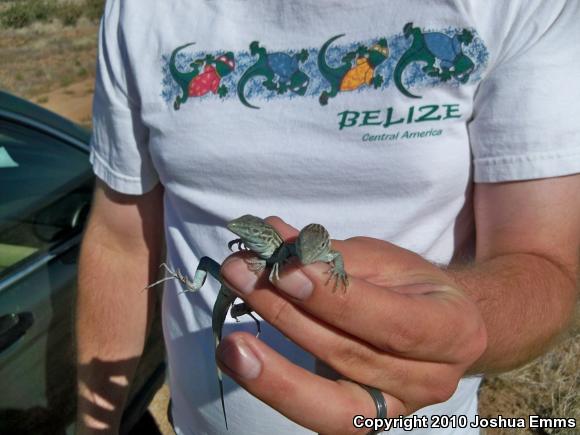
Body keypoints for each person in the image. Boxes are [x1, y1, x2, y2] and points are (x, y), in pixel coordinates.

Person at [76, 0, 580, 434]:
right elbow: (119, 240)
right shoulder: (139, 11)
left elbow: (547, 266)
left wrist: (453, 328)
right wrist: (96, 425)